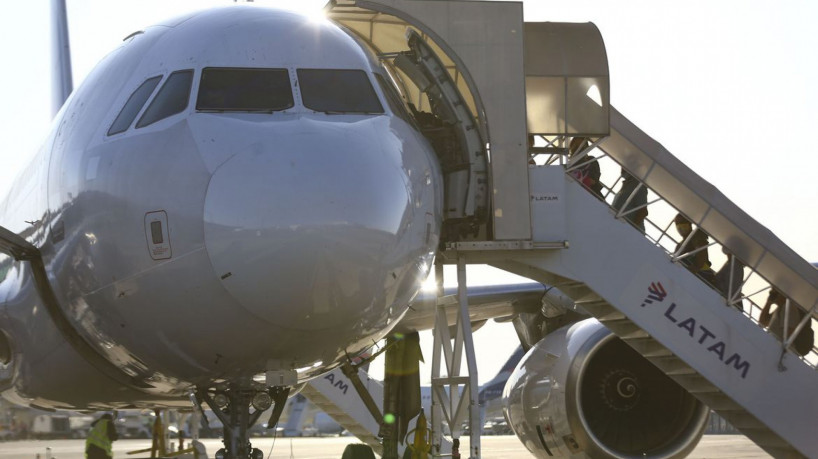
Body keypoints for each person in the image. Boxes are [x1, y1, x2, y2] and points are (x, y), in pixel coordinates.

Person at [759, 288, 814, 356]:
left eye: (775, 294)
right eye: (772, 294)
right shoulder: (781, 308)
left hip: (777, 351)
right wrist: (768, 303)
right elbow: (762, 322)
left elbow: (788, 337)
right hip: (772, 347)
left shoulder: (789, 308)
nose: (773, 296)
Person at [673, 214, 716, 285]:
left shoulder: (696, 236)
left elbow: (701, 258)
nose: (679, 226)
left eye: (682, 222)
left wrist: (688, 273)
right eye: (677, 224)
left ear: (689, 223)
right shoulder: (679, 245)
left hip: (701, 275)